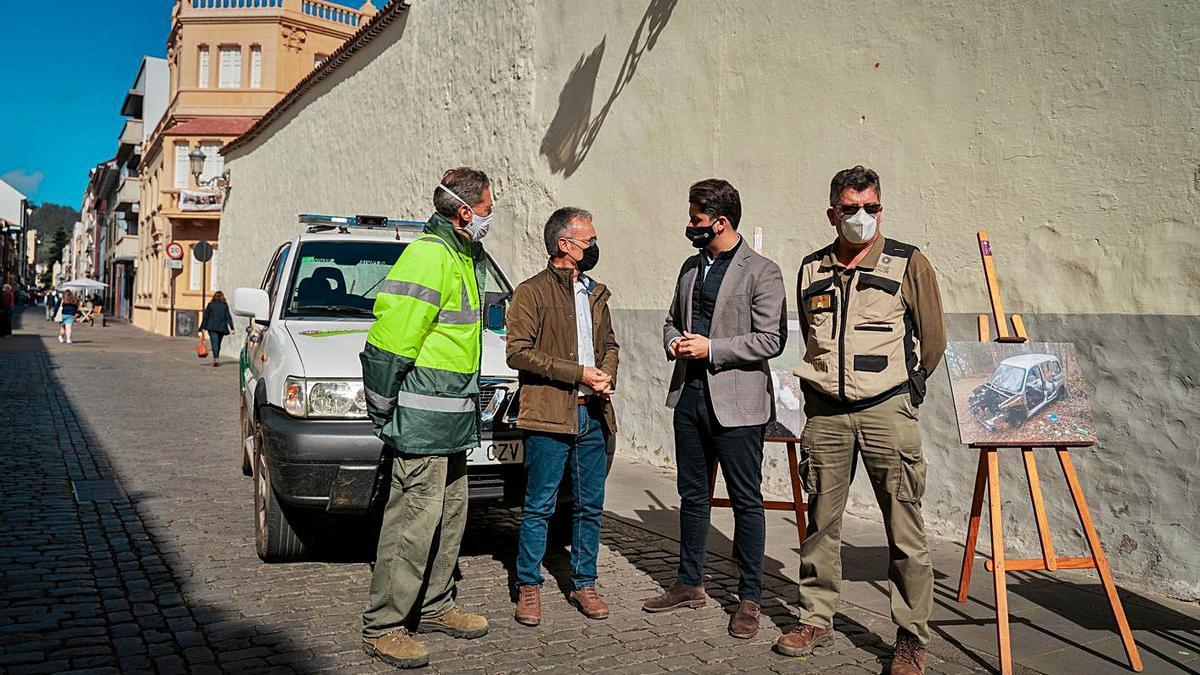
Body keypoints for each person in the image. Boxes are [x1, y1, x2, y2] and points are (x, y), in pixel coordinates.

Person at [773, 166, 946, 675]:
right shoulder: (811, 268)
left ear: (880, 208)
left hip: (886, 412)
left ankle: (912, 636)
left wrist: (908, 387)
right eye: (850, 208)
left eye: (870, 207)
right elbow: (810, 334)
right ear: (832, 213)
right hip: (826, 414)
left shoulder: (907, 262)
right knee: (820, 524)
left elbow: (932, 337)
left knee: (903, 526)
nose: (861, 217)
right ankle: (816, 617)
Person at [359, 167, 494, 669]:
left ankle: (436, 605)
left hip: (452, 424)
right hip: (422, 425)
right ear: (464, 212)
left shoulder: (462, 256)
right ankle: (384, 626)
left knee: (449, 519)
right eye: (487, 208)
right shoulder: (429, 255)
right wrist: (383, 412)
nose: (489, 216)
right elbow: (387, 346)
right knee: (411, 526)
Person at [642, 179, 787, 640]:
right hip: (689, 398)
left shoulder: (762, 271)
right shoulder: (690, 267)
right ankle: (689, 583)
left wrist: (711, 348)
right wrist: (673, 342)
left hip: (739, 405)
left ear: (720, 222)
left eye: (696, 220)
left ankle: (750, 597)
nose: (690, 226)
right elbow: (670, 320)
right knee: (693, 495)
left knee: (747, 501)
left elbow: (771, 340)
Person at [507, 207, 620, 626]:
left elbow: (610, 344)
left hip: (592, 414)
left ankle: (585, 583)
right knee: (540, 506)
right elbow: (517, 351)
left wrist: (605, 374)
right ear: (564, 244)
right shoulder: (531, 292)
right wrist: (578, 373)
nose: (594, 247)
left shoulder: (595, 292)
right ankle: (529, 587)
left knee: (591, 506)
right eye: (588, 240)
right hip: (550, 416)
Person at [200, 291, 235, 367]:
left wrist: (202, 328)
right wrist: (232, 328)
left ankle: (216, 358)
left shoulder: (210, 305)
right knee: (218, 343)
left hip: (212, 327)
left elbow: (206, 317)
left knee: (214, 343)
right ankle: (216, 357)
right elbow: (228, 317)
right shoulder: (224, 305)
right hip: (221, 327)